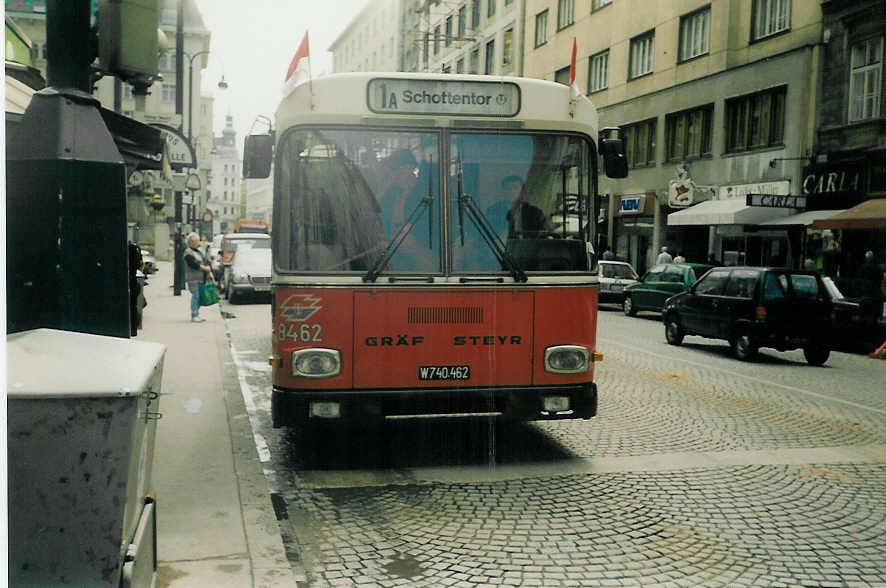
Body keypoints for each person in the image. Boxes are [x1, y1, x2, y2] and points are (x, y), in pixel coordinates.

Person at [183, 232, 211, 322]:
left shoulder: (198, 251)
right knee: (196, 296)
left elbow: (205, 260)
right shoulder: (188, 252)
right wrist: (204, 268)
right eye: (195, 241)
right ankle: (194, 315)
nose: (197, 242)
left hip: (200, 278)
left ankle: (196, 314)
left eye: (197, 241)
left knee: (199, 296)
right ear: (190, 242)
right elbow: (193, 264)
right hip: (193, 278)